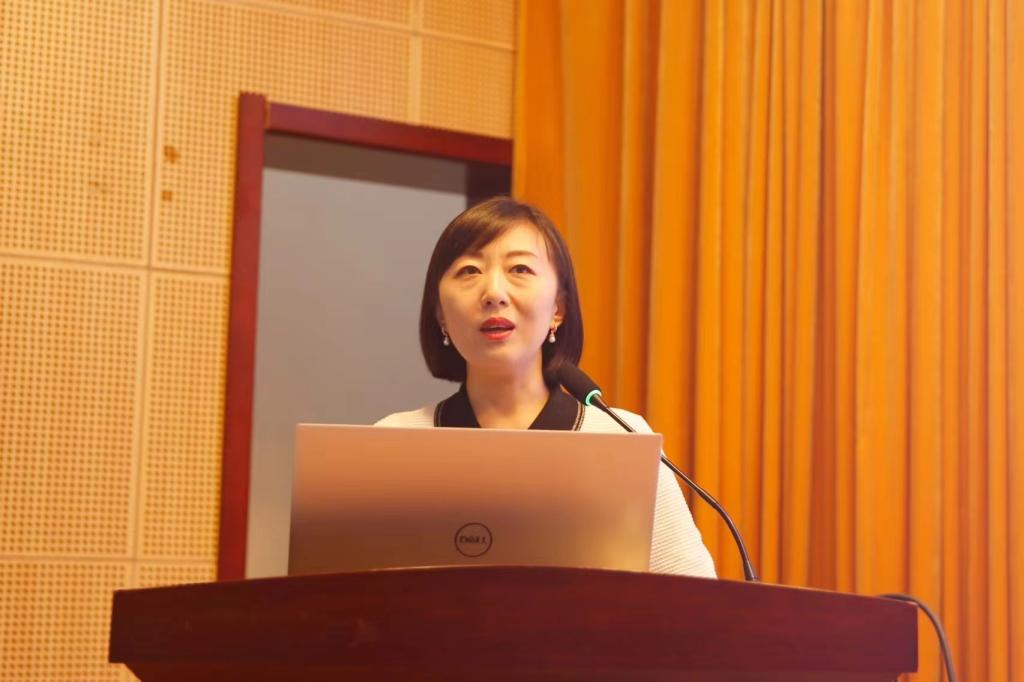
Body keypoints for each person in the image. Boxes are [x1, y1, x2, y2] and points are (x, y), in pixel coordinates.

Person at [376, 196, 716, 578]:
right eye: (469, 271)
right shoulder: (393, 442)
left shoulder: (621, 439)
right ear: (440, 311)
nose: (493, 292)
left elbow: (695, 598)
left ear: (559, 308)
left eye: (519, 268)